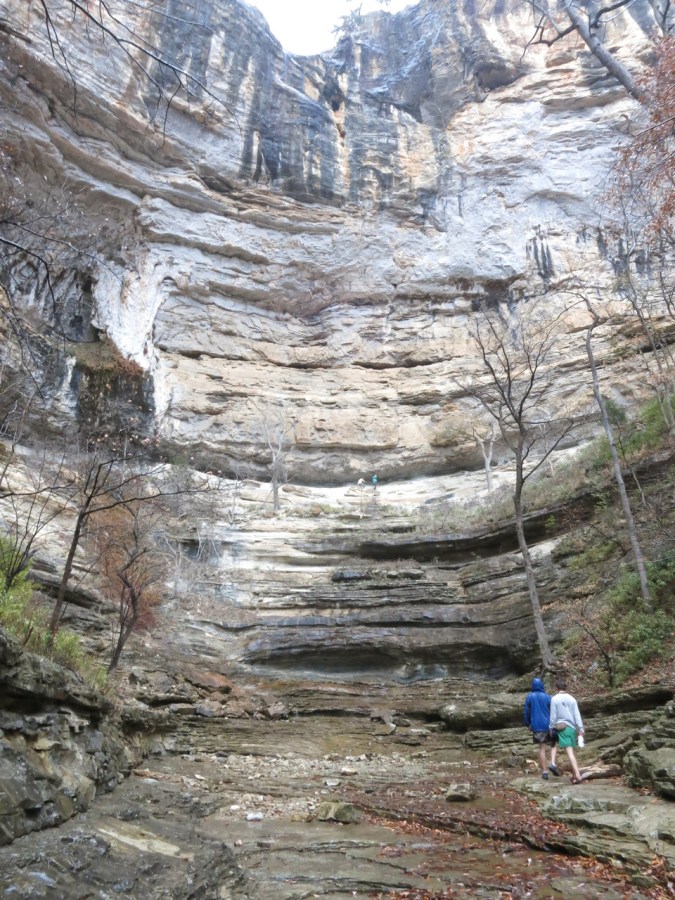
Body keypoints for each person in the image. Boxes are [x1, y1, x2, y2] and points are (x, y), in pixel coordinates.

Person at [549, 676, 585, 784]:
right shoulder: (572, 699)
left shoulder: (554, 699)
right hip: (572, 728)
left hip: (563, 728)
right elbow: (576, 714)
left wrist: (551, 727)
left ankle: (578, 775)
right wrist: (581, 728)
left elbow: (553, 715)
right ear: (566, 687)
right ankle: (574, 776)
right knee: (572, 752)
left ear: (556, 688)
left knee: (569, 752)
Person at [523, 677, 556, 780]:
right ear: (542, 685)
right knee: (553, 745)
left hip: (537, 726)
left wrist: (528, 723)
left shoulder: (530, 697)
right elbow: (553, 710)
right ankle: (553, 763)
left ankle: (545, 772)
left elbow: (526, 711)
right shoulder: (547, 697)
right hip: (549, 725)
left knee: (542, 748)